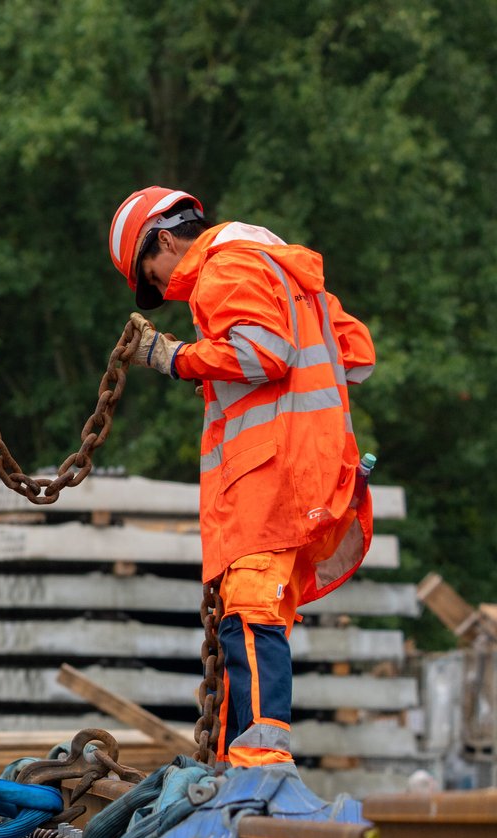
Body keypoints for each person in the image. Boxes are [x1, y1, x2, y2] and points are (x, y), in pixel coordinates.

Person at [112, 187, 375, 769]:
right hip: (314, 467)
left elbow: (264, 355)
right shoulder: (285, 269)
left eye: (148, 275)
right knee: (253, 615)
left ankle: (259, 769)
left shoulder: (223, 267)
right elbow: (357, 354)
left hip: (270, 476)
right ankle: (238, 766)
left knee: (252, 610)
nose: (156, 289)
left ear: (163, 239)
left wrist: (176, 357)